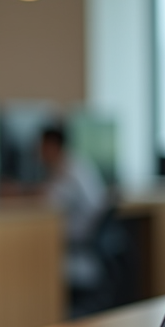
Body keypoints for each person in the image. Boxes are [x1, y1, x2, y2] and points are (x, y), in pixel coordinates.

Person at [39, 124, 109, 294]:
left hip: (78, 243)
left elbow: (49, 200)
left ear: (52, 146)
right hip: (88, 239)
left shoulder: (68, 171)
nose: (38, 153)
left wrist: (17, 191)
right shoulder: (76, 162)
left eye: (41, 147)